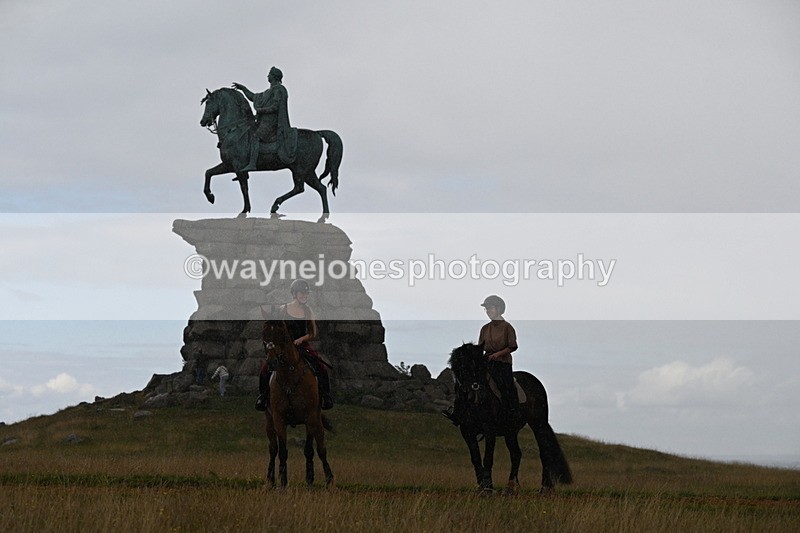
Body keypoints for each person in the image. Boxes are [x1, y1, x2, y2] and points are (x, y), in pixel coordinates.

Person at [256, 279, 333, 411]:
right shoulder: (283, 309)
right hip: (284, 346)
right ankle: (262, 397)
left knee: (321, 368)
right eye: (302, 293)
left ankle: (326, 396)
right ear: (294, 294)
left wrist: (301, 339)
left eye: (306, 294)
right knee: (265, 368)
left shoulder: (308, 311)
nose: (304, 296)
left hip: (302, 346)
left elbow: (312, 332)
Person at [442, 295, 519, 425]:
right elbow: (480, 348)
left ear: (499, 309)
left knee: (505, 384)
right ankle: (458, 413)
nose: (488, 311)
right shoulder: (484, 328)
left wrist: (497, 354)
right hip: (487, 361)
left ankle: (512, 411)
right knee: (467, 381)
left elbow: (513, 346)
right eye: (487, 309)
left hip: (502, 363)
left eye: (491, 308)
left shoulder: (507, 327)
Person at [232, 66, 297, 171]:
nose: (268, 76)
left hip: (272, 122)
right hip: (263, 122)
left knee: (255, 136)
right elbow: (254, 97)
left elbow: (275, 107)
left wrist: (261, 110)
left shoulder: (279, 89)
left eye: (269, 74)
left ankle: (252, 164)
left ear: (274, 76)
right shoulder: (268, 92)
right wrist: (243, 88)